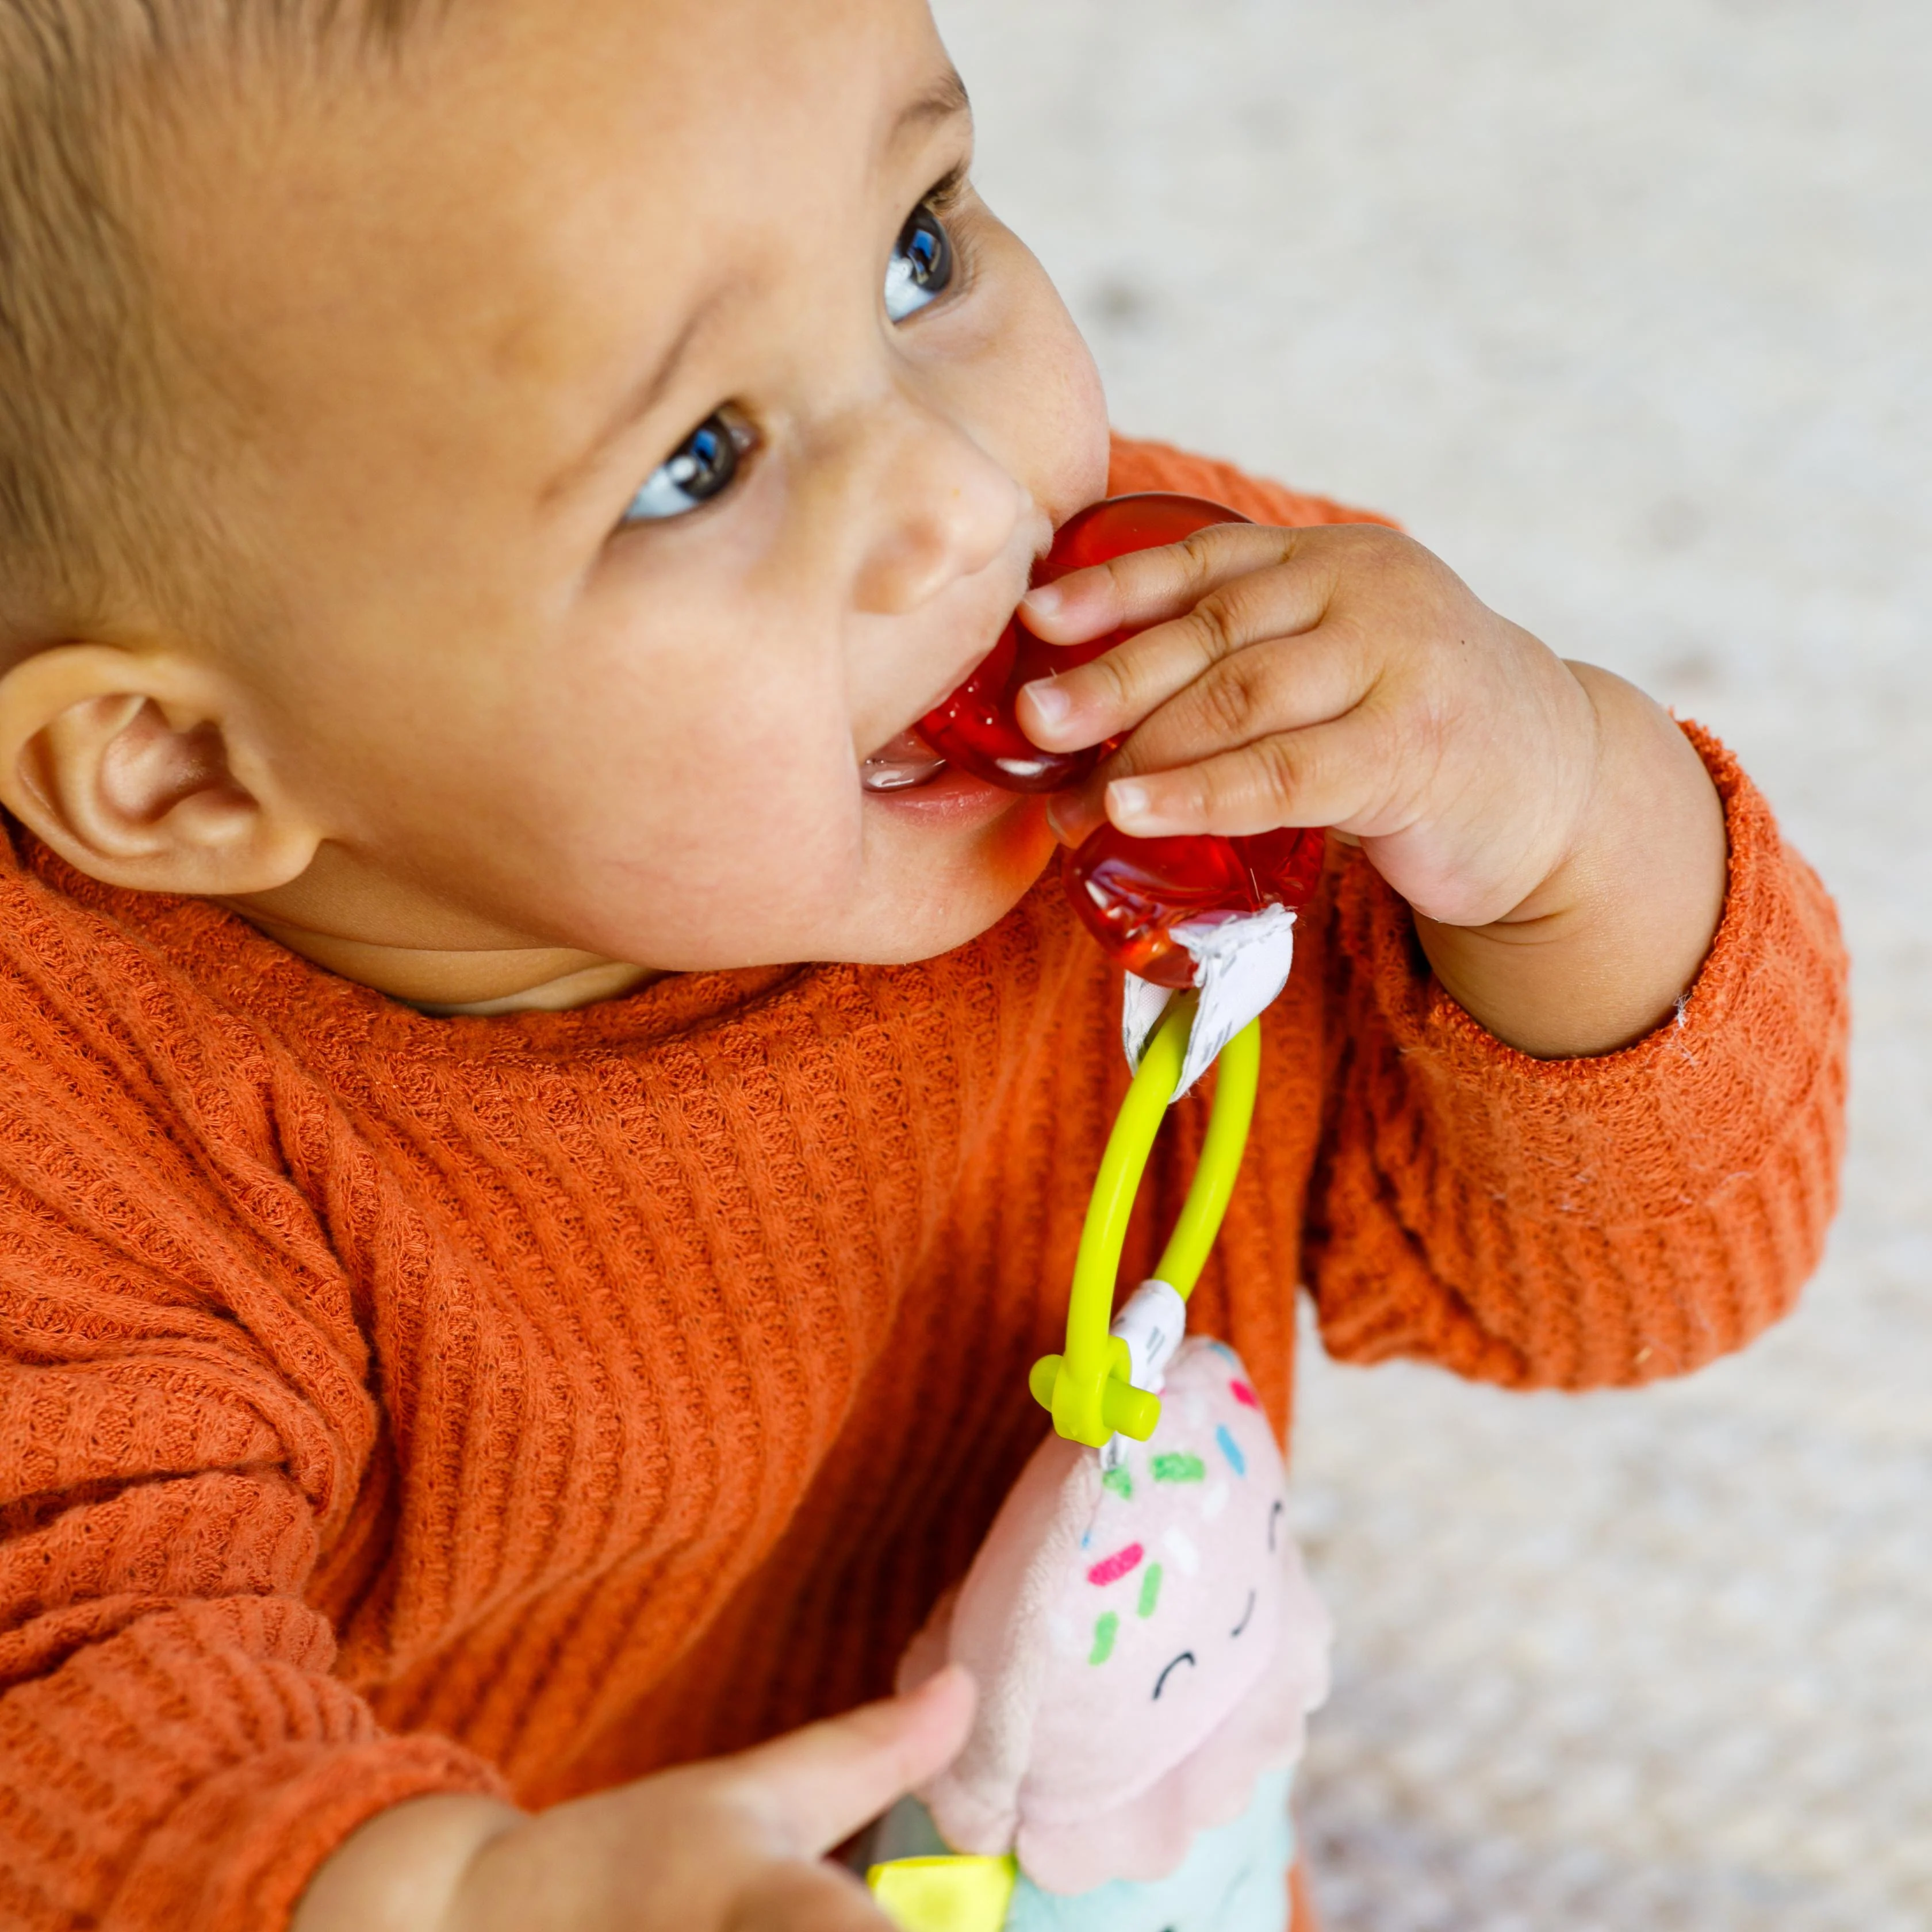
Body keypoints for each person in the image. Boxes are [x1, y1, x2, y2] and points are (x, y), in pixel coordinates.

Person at [0, 1, 1845, 1929]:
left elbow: (1622, 1291)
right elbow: (65, 1711)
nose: (965, 500)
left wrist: (1564, 823)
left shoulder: (1206, 693)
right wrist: (454, 1896)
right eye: (696, 463)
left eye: (920, 248)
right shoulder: (70, 1144)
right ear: (188, 768)